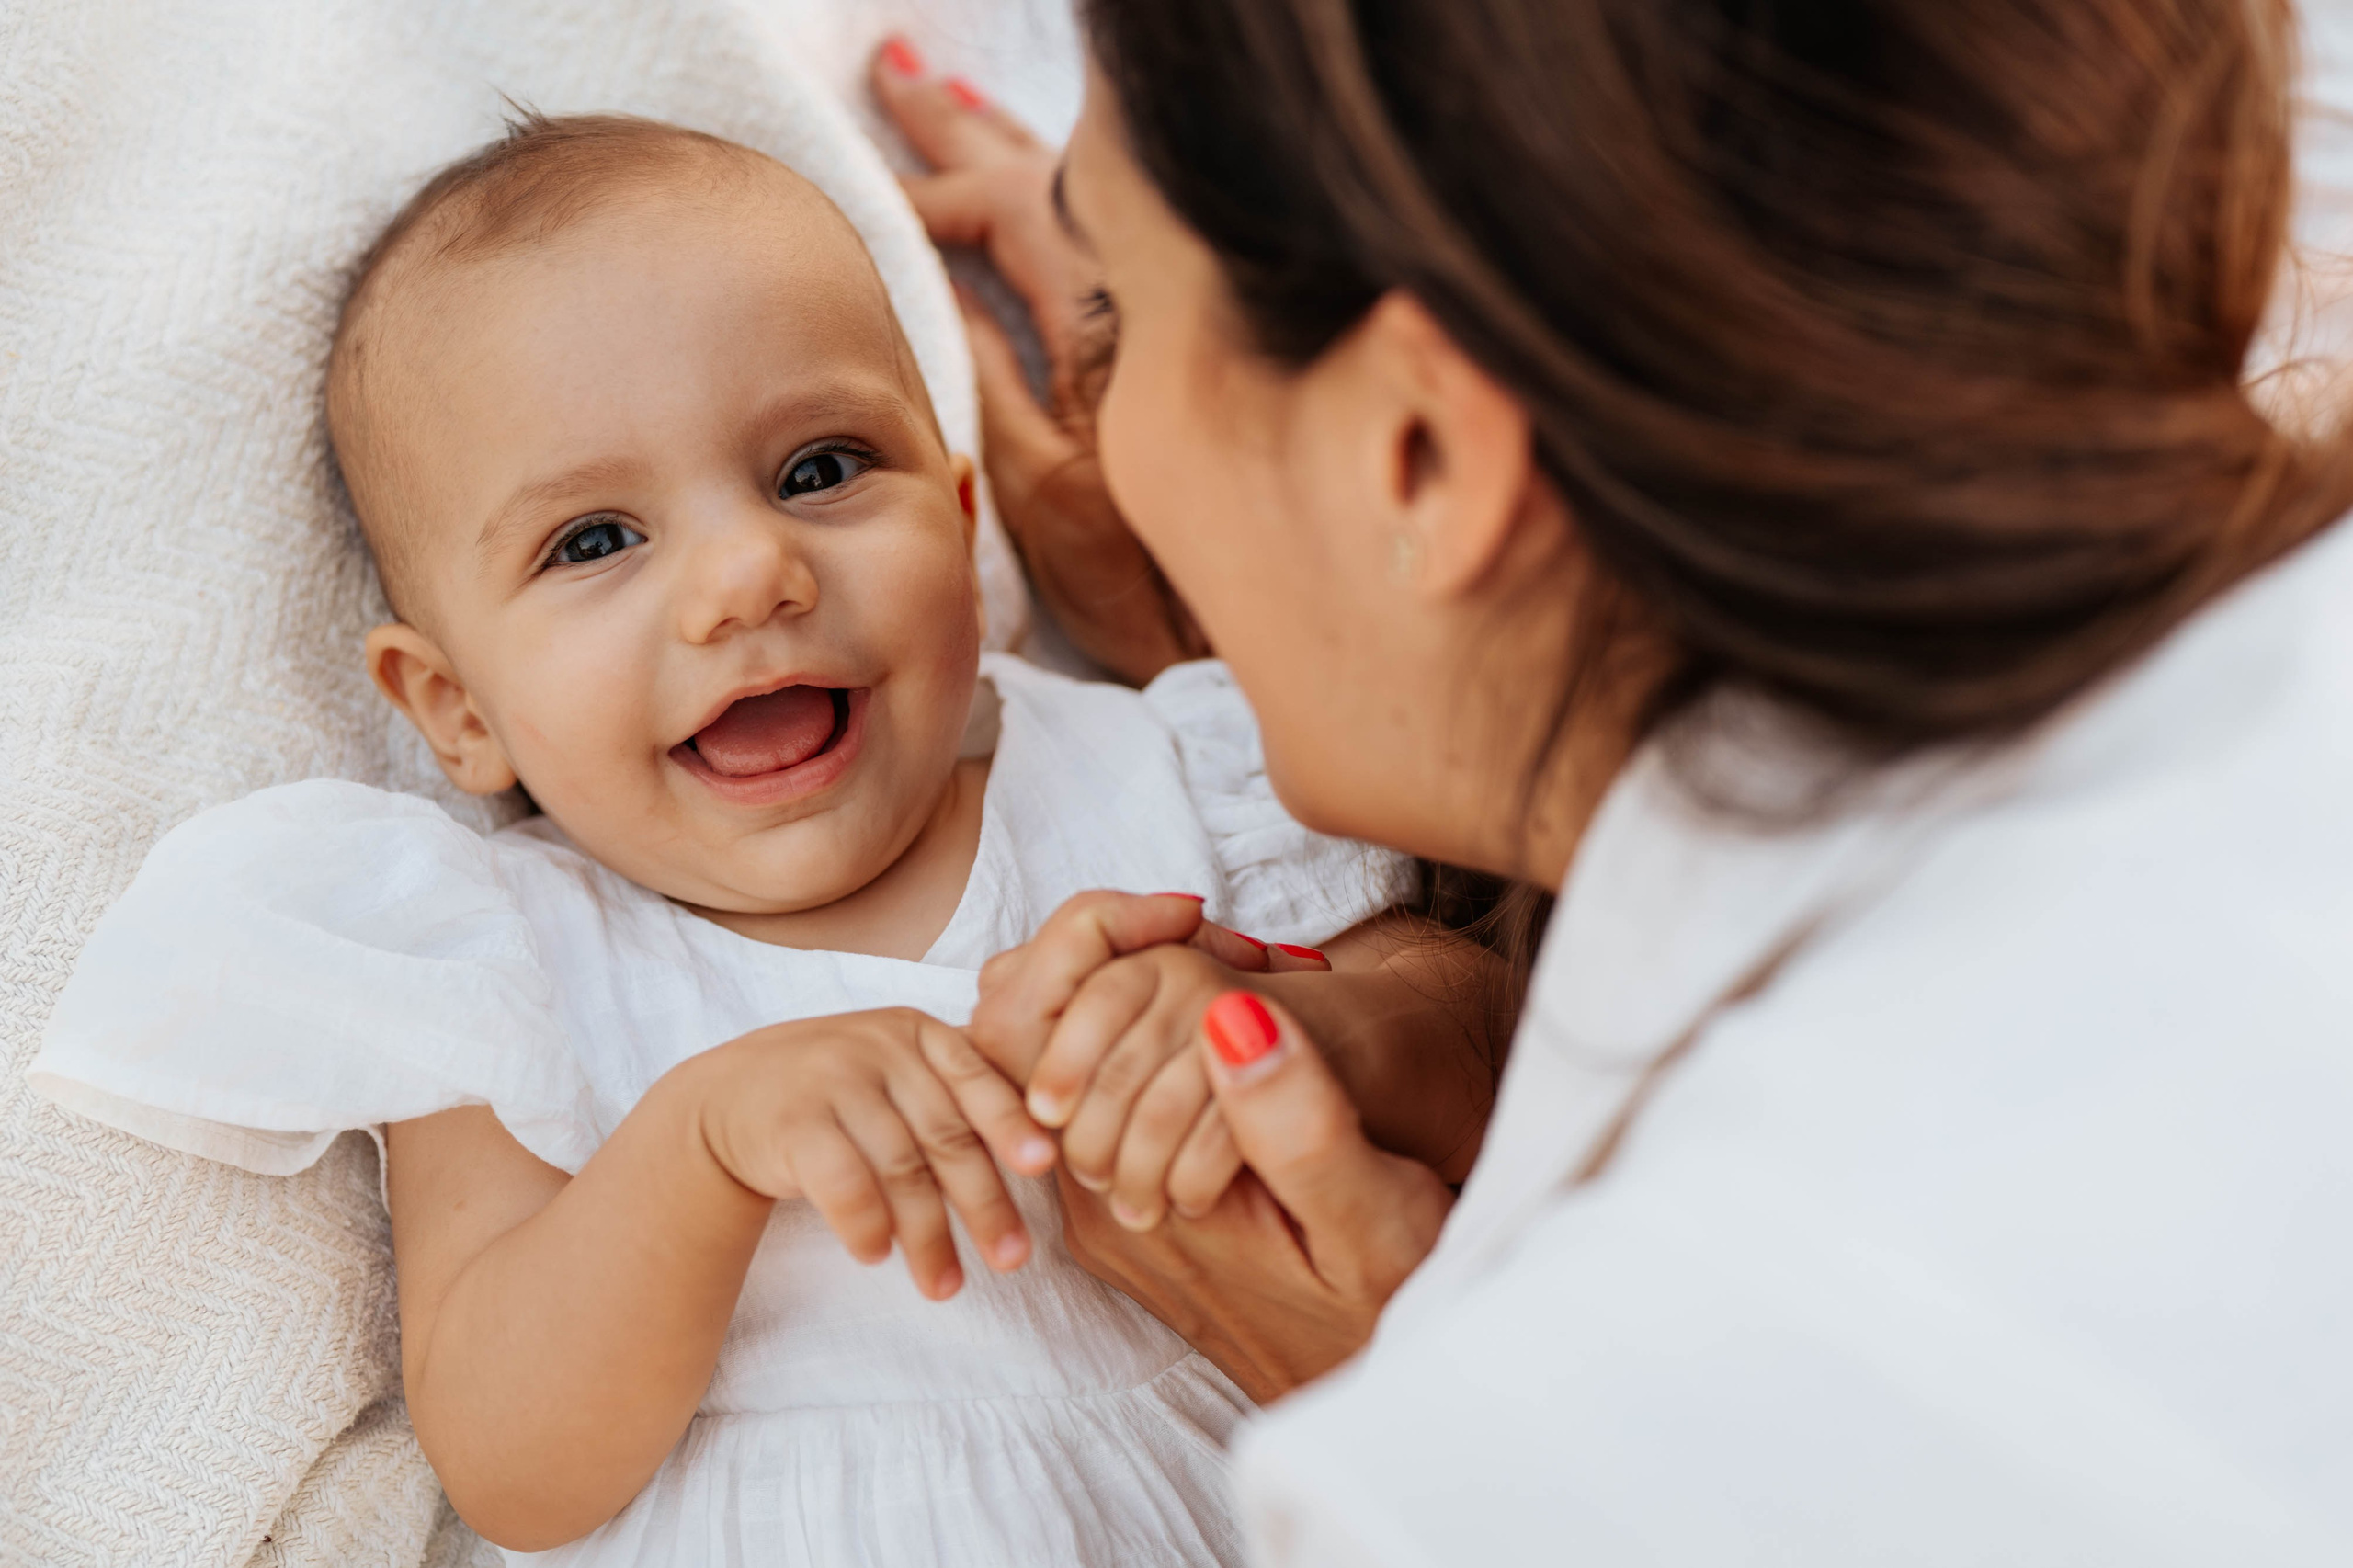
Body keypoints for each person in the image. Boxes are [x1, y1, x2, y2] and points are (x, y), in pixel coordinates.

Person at [871, 2, 2353, 1562]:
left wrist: (1418, 1404)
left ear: (1424, 450)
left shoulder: (1567, 1443)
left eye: (1110, 327)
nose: (1098, 431)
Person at [27, 114, 1506, 1564]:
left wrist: (1312, 1023)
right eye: (595, 540)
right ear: (455, 706)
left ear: (962, 517)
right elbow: (507, 1460)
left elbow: (1490, 1014)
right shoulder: (506, 959)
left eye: (821, 469)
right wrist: (700, 1147)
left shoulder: (1170, 769)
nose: (747, 573)